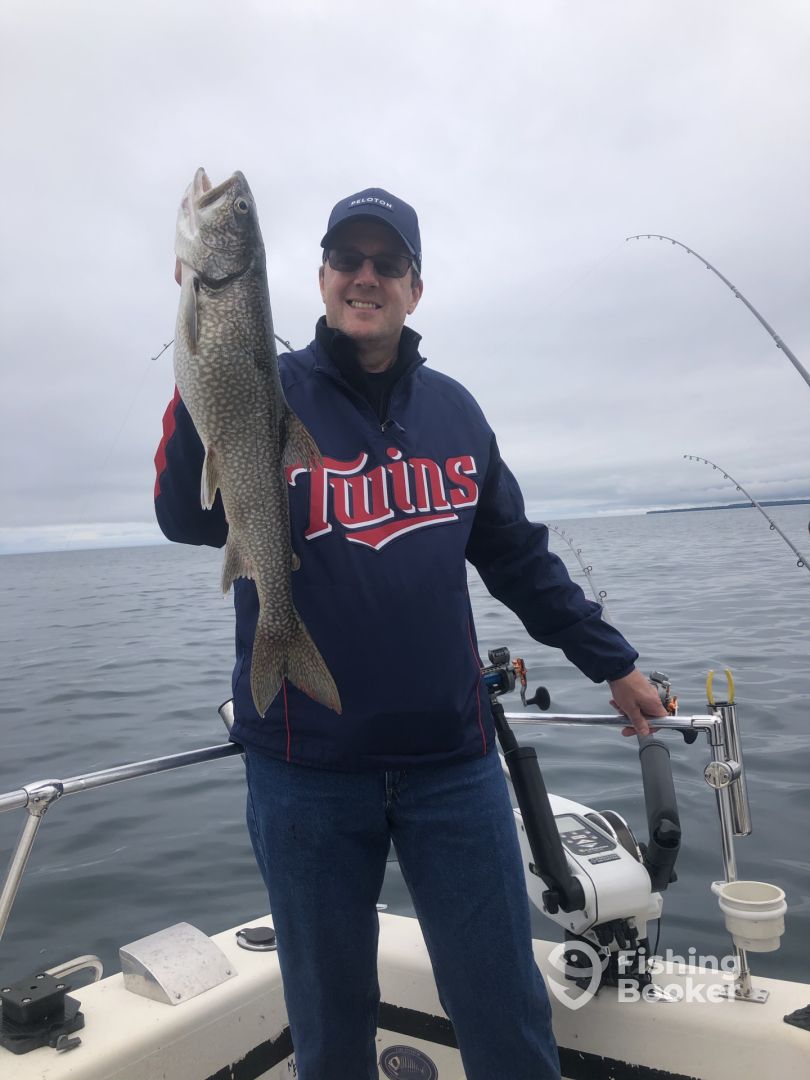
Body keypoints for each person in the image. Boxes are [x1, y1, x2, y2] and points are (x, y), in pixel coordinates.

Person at [154, 186, 667, 1080]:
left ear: (414, 287)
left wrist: (613, 663)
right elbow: (184, 517)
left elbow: (517, 558)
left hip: (452, 765)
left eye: (387, 263)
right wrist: (204, 361)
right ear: (319, 277)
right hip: (304, 767)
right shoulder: (269, 388)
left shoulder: (456, 414)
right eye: (347, 260)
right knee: (327, 1028)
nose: (366, 277)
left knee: (506, 1012)